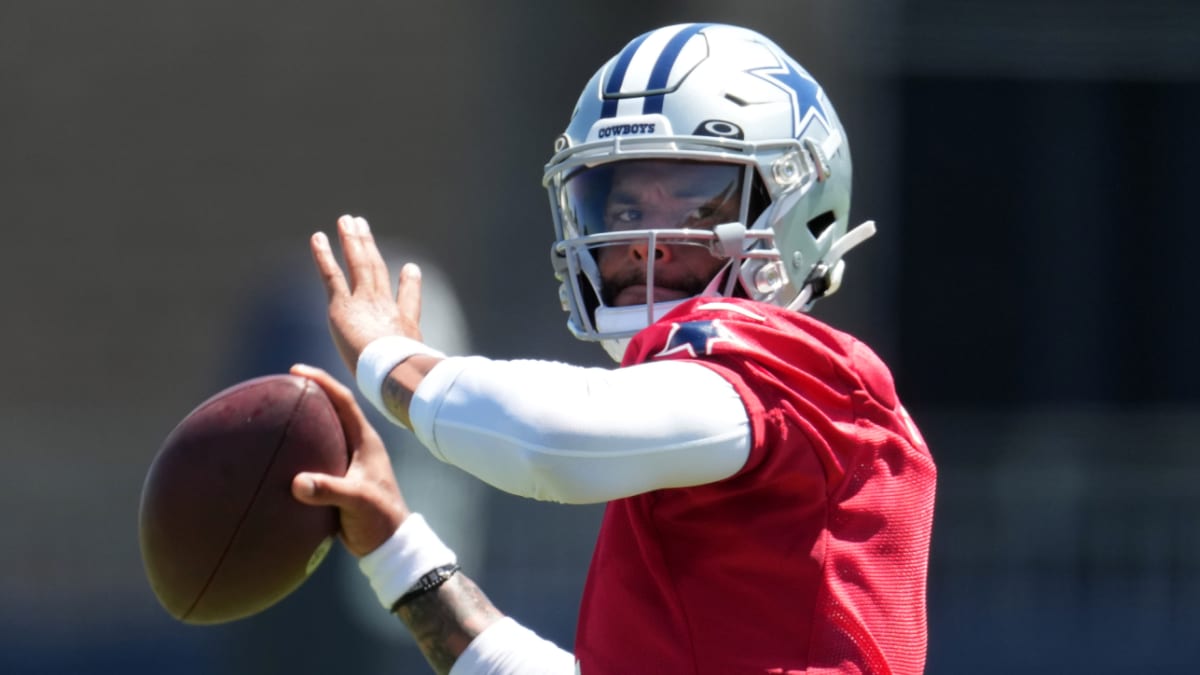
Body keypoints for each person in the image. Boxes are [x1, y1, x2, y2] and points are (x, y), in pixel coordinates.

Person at [289, 23, 937, 675]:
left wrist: (388, 360)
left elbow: (551, 436)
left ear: (800, 205)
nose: (641, 241)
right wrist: (399, 553)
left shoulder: (801, 370)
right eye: (623, 210)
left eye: (694, 204)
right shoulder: (703, 450)